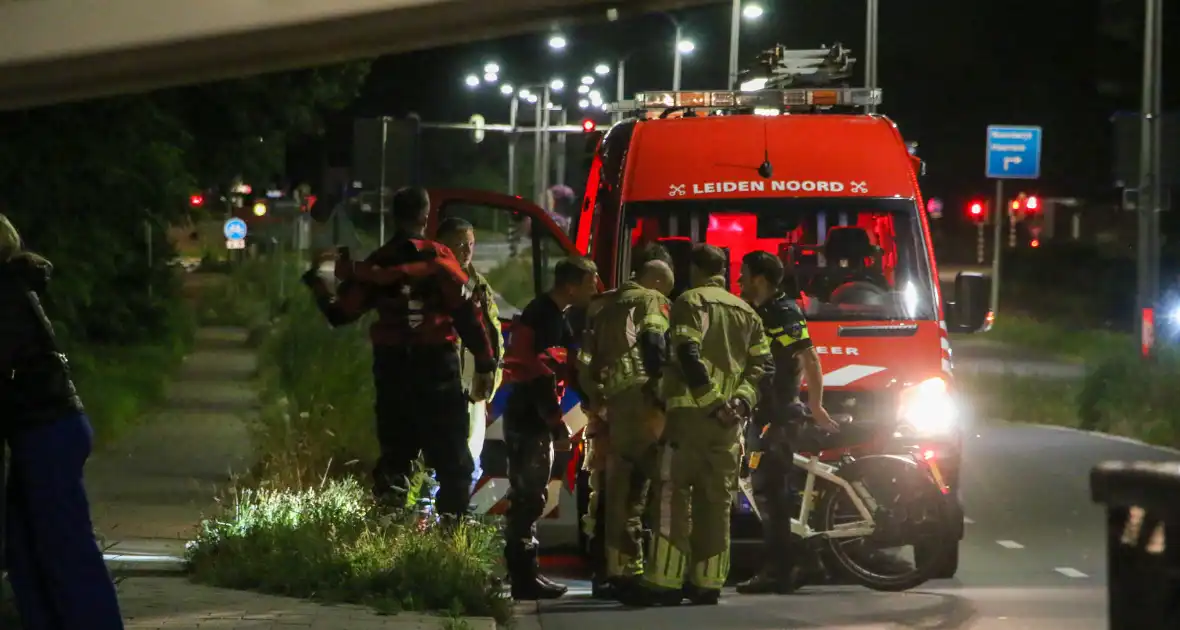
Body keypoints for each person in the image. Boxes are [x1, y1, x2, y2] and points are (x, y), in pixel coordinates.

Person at [300, 186, 497, 519]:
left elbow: (341, 313)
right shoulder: (439, 260)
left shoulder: (377, 263)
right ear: (425, 216)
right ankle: (449, 541)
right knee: (453, 463)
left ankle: (389, 533)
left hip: (392, 369)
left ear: (394, 216)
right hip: (436, 367)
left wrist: (318, 283)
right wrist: (485, 360)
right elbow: (467, 313)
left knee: (396, 458)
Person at [628, 244, 773, 606]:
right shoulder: (747, 312)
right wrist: (738, 403)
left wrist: (710, 400)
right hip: (728, 428)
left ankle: (665, 581)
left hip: (690, 419)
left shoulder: (690, 302)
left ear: (694, 268)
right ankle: (708, 583)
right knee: (716, 502)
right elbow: (763, 367)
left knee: (670, 497)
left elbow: (686, 353)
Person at [0, 213, 124, 630]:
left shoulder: (6, 295)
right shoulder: (13, 289)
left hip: (45, 428)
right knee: (24, 545)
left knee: (63, 545)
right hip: (46, 426)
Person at [734, 251, 839, 595]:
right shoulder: (763, 310)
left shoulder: (783, 311)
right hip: (764, 412)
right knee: (776, 494)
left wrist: (816, 405)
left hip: (778, 414)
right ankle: (808, 561)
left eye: (744, 275)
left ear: (760, 279)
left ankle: (778, 571)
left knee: (771, 496)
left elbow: (809, 356)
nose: (739, 281)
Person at [578, 243, 674, 599]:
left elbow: (585, 362)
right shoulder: (650, 300)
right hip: (645, 404)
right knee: (657, 491)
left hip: (613, 409)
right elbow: (655, 343)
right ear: (658, 280)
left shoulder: (602, 306)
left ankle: (615, 572)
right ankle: (654, 574)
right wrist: (662, 395)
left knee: (617, 492)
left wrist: (597, 400)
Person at [501, 256, 599, 600]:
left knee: (532, 496)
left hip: (534, 418)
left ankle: (527, 573)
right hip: (529, 419)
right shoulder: (543, 316)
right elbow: (540, 377)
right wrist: (557, 426)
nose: (596, 287)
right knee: (529, 498)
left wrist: (590, 399)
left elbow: (570, 365)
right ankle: (523, 578)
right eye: (591, 281)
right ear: (571, 285)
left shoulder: (556, 316)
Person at [434, 217, 503, 475]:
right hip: (443, 384)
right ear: (443, 245)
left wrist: (493, 372)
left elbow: (492, 331)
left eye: (471, 244)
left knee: (471, 458)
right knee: (437, 458)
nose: (467, 250)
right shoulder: (433, 280)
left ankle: (454, 514)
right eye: (460, 243)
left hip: (473, 385)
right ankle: (422, 515)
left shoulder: (479, 285)